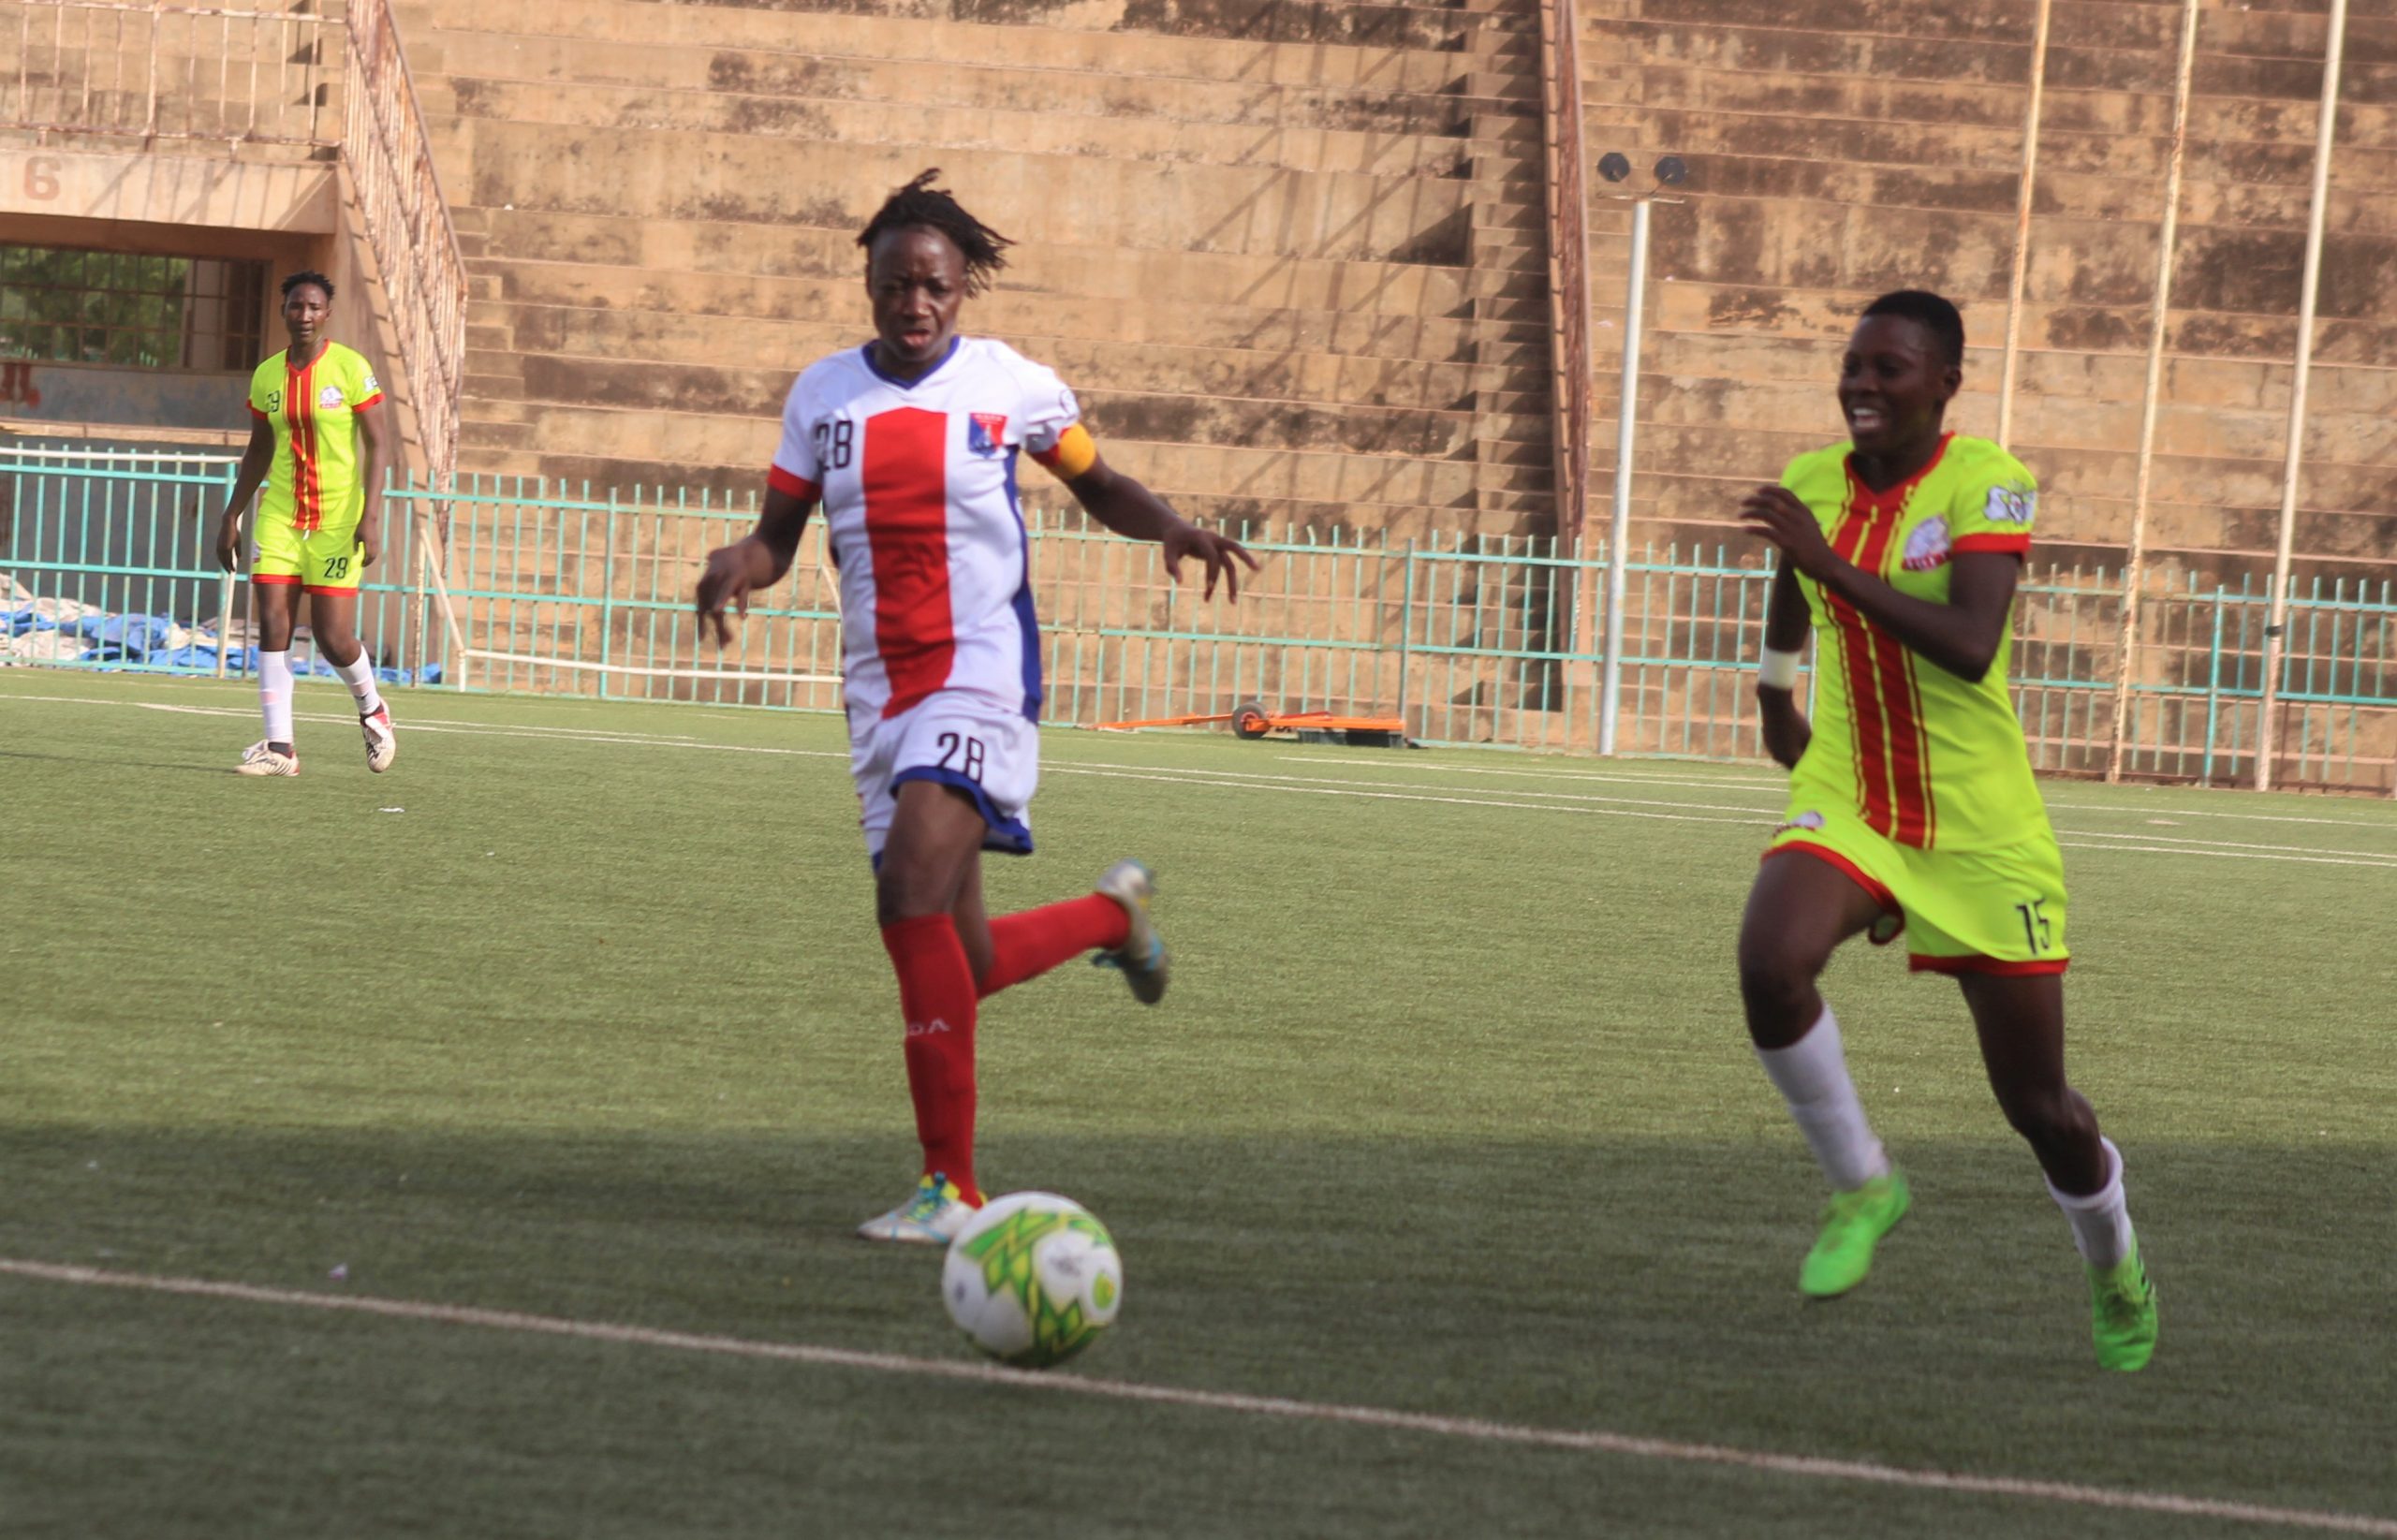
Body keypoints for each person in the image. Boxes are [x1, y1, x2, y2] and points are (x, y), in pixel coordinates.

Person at [695, 170, 1257, 1243]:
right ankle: (1114, 916)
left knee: (907, 885)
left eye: (937, 287)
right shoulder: (822, 397)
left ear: (964, 291)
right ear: (867, 281)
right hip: (880, 694)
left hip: (983, 672)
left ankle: (949, 1189)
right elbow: (779, 535)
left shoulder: (1009, 385)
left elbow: (1095, 483)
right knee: (967, 959)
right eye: (898, 284)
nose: (917, 305)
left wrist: (1171, 525)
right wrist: (739, 560)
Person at [1733, 290, 2158, 1371]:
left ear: (1945, 384)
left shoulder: (1987, 480)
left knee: (2042, 1110)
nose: (1862, 385)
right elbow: (1793, 568)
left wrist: (1828, 565)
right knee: (1770, 963)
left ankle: (2112, 1260)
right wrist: (1777, 690)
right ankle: (1862, 1185)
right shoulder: (1815, 479)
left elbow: (1971, 641)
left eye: (1889, 369)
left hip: (1979, 823)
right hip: (1854, 788)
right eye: (1853, 366)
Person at [213, 271, 396, 776]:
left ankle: (372, 708)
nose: (305, 316)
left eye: (314, 307)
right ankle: (281, 749)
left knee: (330, 636)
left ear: (327, 313)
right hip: (281, 518)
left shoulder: (350, 368)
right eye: (296, 307)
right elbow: (259, 449)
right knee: (272, 622)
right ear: (284, 313)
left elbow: (379, 444)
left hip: (339, 519)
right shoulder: (267, 375)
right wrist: (232, 514)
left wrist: (371, 515)